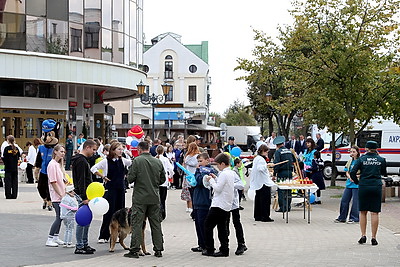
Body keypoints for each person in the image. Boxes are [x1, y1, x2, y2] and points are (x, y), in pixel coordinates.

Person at [124, 141, 165, 258]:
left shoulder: (137, 161)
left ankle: (134, 250)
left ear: (139, 149)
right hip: (154, 197)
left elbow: (130, 178)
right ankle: (158, 249)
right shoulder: (157, 161)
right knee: (156, 224)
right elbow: (162, 179)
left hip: (140, 198)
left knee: (137, 223)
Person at [91, 142, 132, 243]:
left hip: (120, 189)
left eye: (122, 149)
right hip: (111, 189)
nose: (121, 151)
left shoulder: (122, 160)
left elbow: (131, 163)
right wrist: (103, 176)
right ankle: (104, 235)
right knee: (109, 212)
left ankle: (118, 235)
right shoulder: (106, 161)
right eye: (119, 149)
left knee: (120, 213)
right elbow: (93, 168)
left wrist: (130, 155)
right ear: (113, 150)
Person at [350, 141, 387, 246]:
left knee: (363, 212)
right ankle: (374, 238)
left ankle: (363, 235)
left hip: (364, 186)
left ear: (366, 148)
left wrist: (357, 182)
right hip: (376, 187)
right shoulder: (381, 160)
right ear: (376, 149)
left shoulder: (361, 159)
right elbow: (384, 173)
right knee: (375, 212)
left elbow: (353, 172)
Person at [202, 153, 235, 257]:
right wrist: (216, 178)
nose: (217, 167)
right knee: (222, 228)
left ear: (223, 163)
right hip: (226, 204)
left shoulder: (224, 174)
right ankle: (224, 249)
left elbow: (218, 188)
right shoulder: (230, 173)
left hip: (219, 204)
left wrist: (211, 180)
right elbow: (223, 184)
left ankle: (210, 248)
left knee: (207, 225)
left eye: (218, 165)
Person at [71, 139, 97, 254]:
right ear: (87, 147)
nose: (94, 152)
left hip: (86, 194)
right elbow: (81, 180)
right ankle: (80, 245)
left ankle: (85, 243)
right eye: (93, 149)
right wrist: (84, 197)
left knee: (87, 220)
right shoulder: (81, 161)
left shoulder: (82, 160)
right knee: (82, 220)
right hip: (83, 195)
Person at [191, 152, 218, 253]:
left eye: (201, 161)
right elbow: (194, 182)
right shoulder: (198, 171)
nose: (199, 163)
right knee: (198, 224)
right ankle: (201, 244)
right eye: (198, 161)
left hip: (205, 201)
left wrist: (199, 174)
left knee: (204, 225)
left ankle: (207, 245)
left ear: (207, 160)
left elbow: (200, 181)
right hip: (197, 200)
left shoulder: (210, 171)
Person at [45, 145, 67, 247]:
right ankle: (50, 238)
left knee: (61, 217)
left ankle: (56, 236)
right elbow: (53, 182)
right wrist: (61, 194)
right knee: (59, 217)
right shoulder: (52, 165)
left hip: (61, 194)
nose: (63, 153)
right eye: (61, 151)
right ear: (55, 152)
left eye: (64, 152)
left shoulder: (58, 165)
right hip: (56, 196)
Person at [249, 144, 275, 222]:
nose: (267, 153)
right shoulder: (261, 159)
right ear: (263, 151)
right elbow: (260, 169)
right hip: (263, 183)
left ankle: (258, 215)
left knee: (258, 199)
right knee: (265, 200)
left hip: (259, 182)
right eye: (266, 152)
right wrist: (267, 165)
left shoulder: (257, 158)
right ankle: (265, 216)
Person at [335, 146, 360, 223]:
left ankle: (354, 218)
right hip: (349, 184)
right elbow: (346, 171)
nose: (352, 154)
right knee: (344, 200)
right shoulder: (349, 161)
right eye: (351, 152)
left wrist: (356, 177)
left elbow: (363, 173)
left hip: (357, 184)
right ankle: (342, 217)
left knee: (355, 202)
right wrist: (350, 177)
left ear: (357, 153)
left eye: (353, 152)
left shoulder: (360, 161)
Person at [228, 159, 247, 256]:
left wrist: (231, 185)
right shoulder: (222, 173)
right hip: (225, 203)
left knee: (236, 223)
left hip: (233, 203)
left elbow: (240, 184)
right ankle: (224, 244)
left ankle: (241, 243)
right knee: (225, 223)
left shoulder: (233, 173)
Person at [273, 136, 295, 212]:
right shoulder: (289, 151)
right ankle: (288, 207)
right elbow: (294, 160)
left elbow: (276, 164)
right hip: (289, 172)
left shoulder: (278, 152)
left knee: (281, 190)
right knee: (288, 190)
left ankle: (283, 207)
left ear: (277, 145)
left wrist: (274, 174)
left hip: (281, 173)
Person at [155, 145, 174, 220]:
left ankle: (157, 213)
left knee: (157, 198)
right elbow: (170, 169)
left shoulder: (154, 159)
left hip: (156, 181)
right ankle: (162, 213)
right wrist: (170, 176)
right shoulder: (165, 159)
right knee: (163, 199)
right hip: (164, 181)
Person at [182, 142, 200, 213]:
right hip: (194, 176)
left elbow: (186, 165)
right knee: (194, 193)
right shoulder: (196, 156)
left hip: (189, 176)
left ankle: (190, 207)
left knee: (190, 193)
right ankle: (193, 207)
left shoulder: (188, 157)